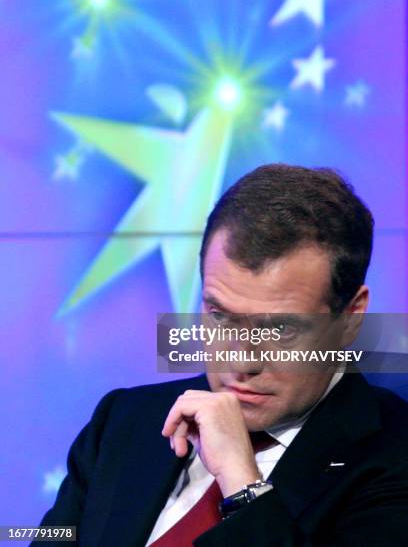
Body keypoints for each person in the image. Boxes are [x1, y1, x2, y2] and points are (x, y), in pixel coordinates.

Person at [33, 164, 408, 546]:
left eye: (280, 329)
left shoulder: (394, 457)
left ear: (350, 317)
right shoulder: (123, 421)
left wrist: (241, 483)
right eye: (220, 315)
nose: (241, 362)